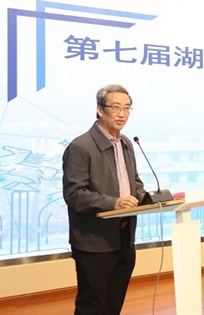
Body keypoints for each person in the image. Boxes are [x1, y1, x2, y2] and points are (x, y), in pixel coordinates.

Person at [62, 84, 148, 315]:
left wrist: (148, 198)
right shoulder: (81, 146)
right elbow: (74, 194)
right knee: (92, 305)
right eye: (116, 107)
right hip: (94, 241)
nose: (122, 114)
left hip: (124, 237)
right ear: (100, 110)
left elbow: (133, 182)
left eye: (127, 108)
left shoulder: (126, 143)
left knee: (113, 304)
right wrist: (113, 203)